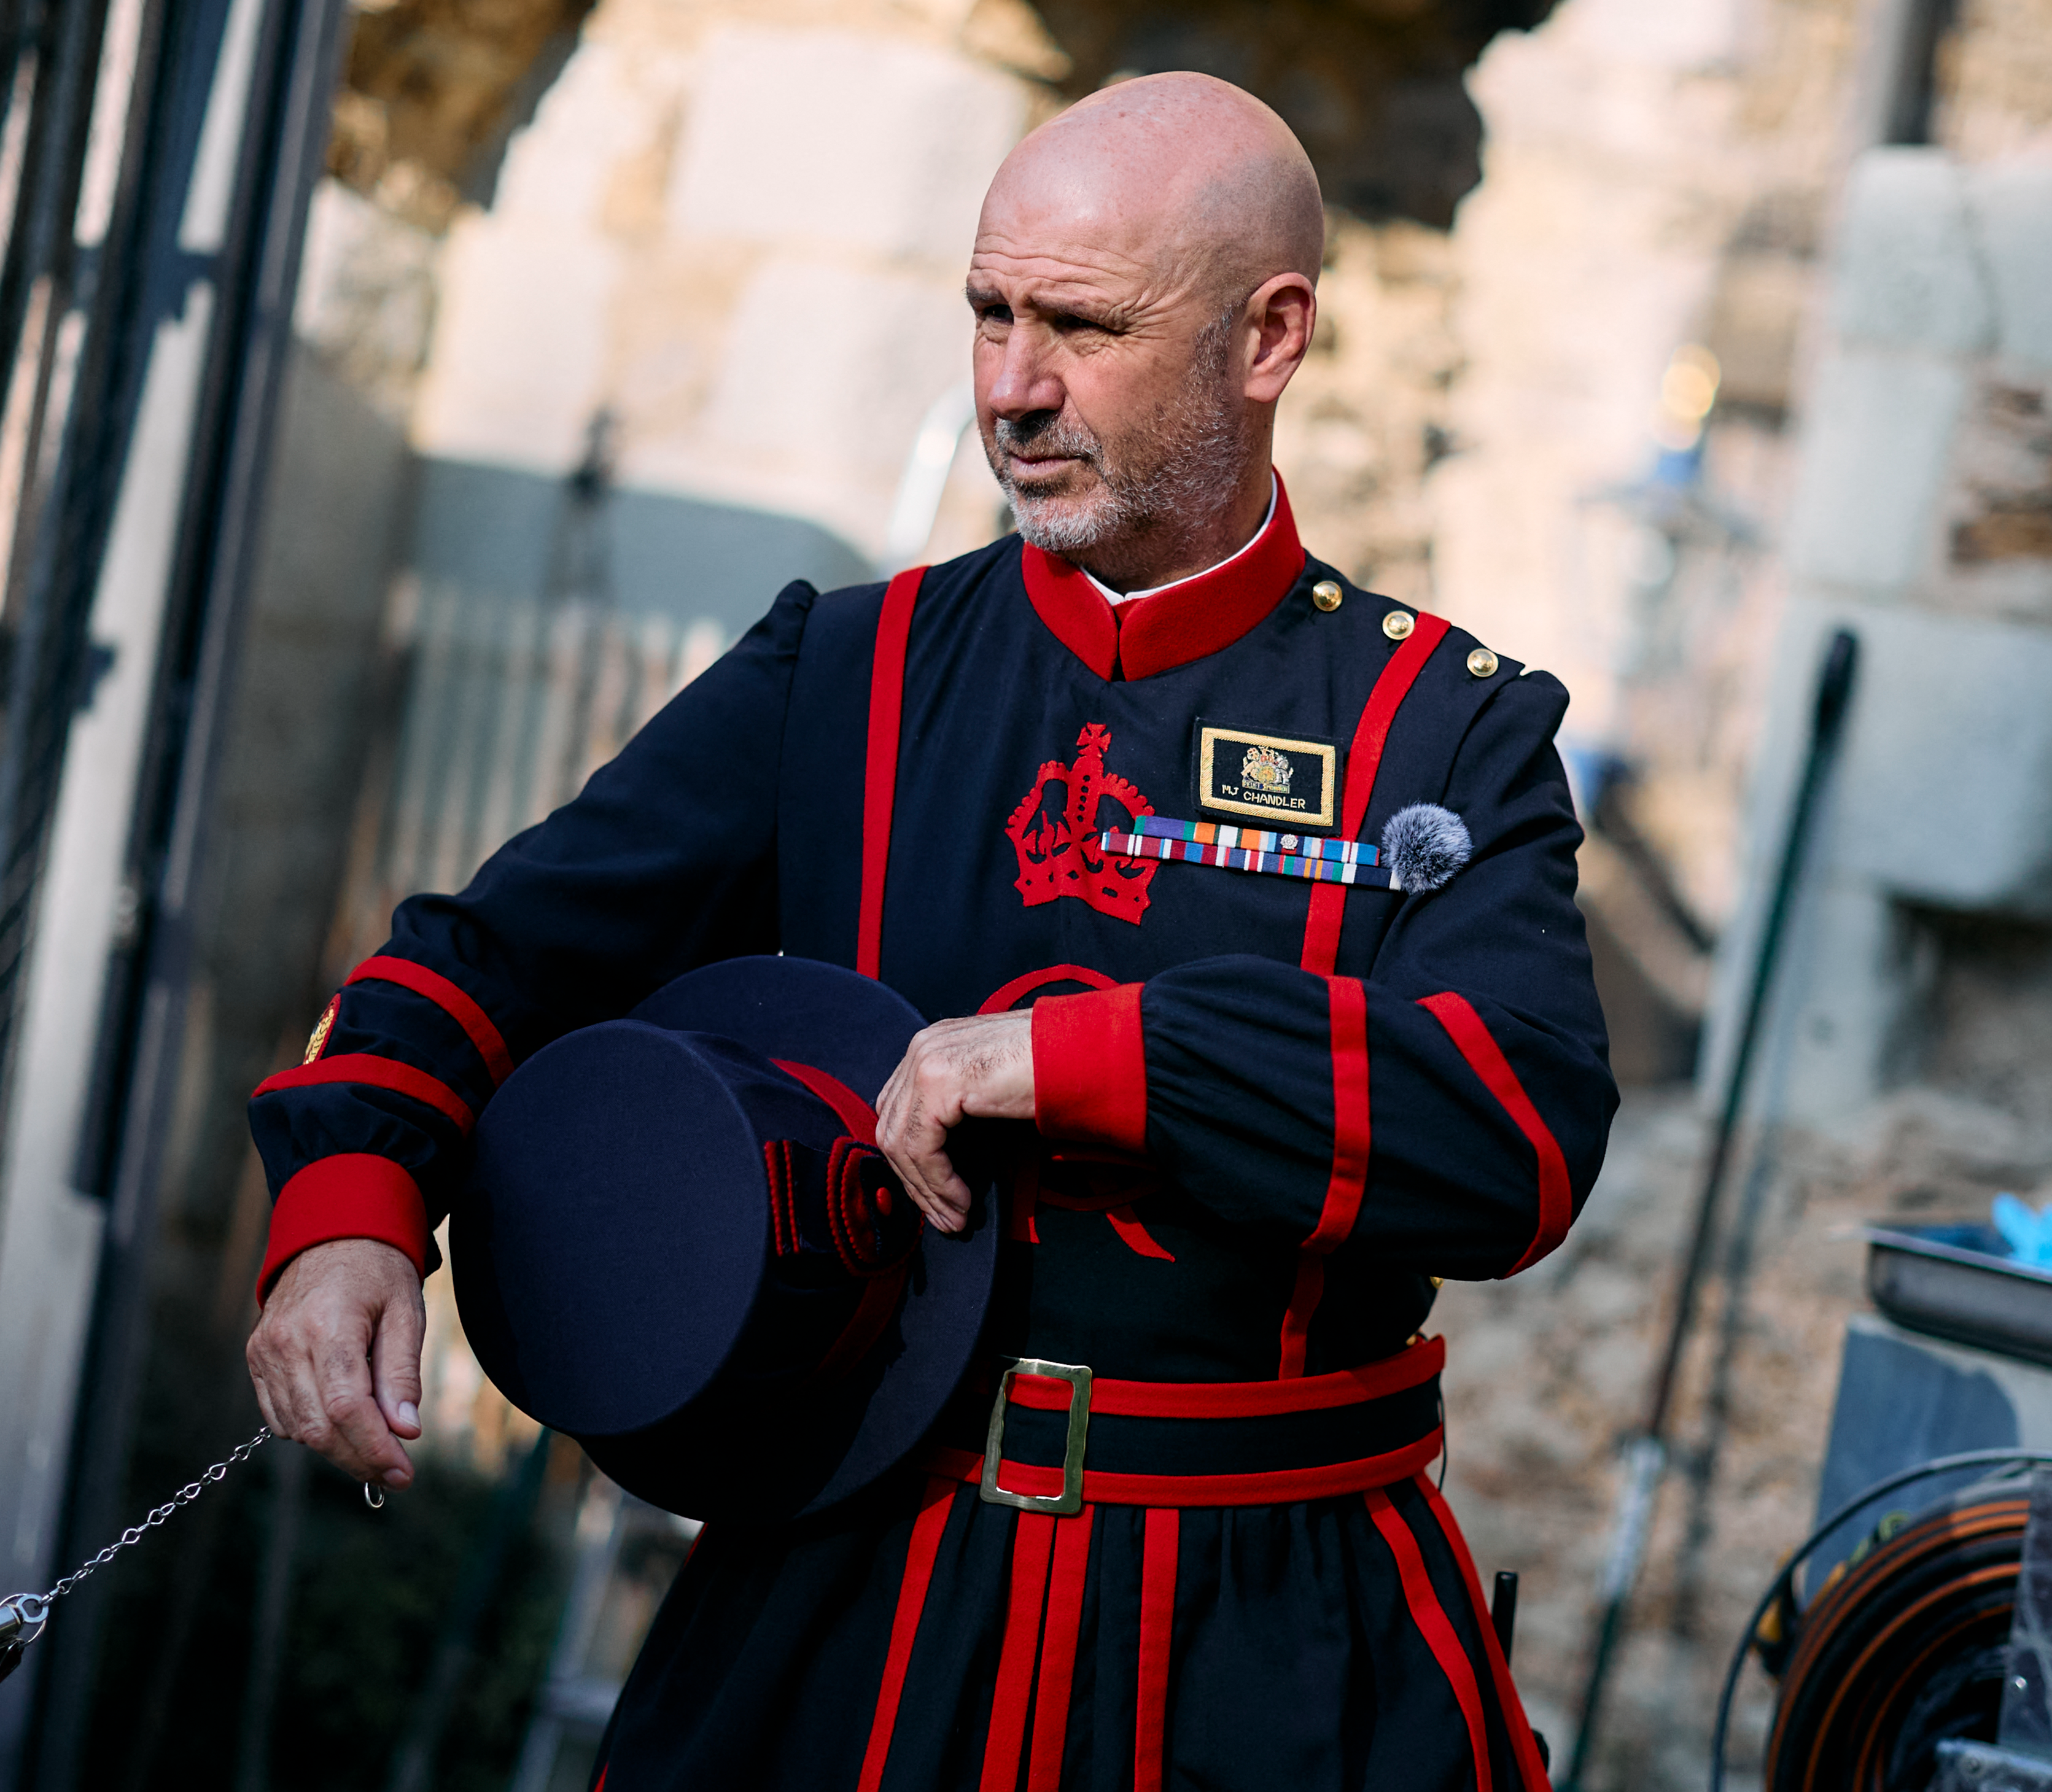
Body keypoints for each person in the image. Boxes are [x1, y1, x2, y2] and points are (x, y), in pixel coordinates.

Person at [243, 71, 1614, 1791]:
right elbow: (483, 956)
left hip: (1265, 1635)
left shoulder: (1445, 726)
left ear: (1268, 339)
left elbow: (1513, 1137)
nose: (1010, 391)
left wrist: (1090, 1056)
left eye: (1081, 328)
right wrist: (350, 1204)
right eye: (987, 315)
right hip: (839, 1601)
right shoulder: (845, 672)